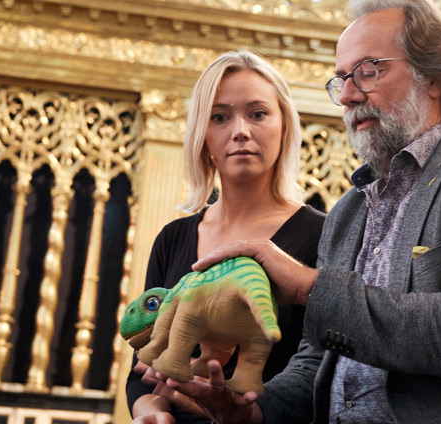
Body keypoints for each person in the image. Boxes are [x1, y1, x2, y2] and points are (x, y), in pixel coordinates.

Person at [169, 0, 441, 423]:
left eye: (367, 71)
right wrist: (254, 413)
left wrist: (310, 287)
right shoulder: (350, 211)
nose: (347, 95)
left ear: (434, 76)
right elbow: (319, 363)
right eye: (340, 80)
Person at [125, 50, 326, 423]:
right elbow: (144, 363)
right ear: (202, 136)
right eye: (220, 117)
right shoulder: (172, 238)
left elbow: (322, 373)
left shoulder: (323, 235)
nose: (240, 131)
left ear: (285, 128)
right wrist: (150, 409)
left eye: (258, 113)